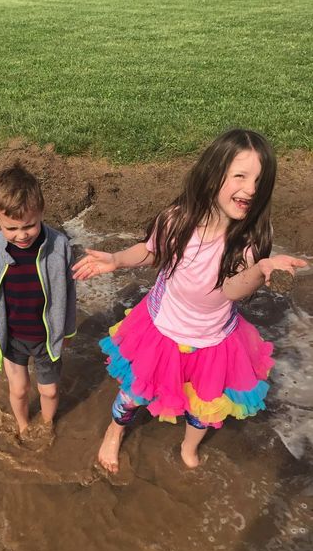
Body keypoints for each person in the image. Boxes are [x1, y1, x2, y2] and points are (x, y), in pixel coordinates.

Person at [73, 129, 307, 473]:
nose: (251, 189)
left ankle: (188, 447)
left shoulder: (249, 240)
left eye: (260, 180)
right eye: (240, 176)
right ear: (213, 176)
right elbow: (152, 252)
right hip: (161, 330)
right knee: (134, 393)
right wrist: (117, 260)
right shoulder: (178, 219)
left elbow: (230, 290)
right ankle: (114, 430)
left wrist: (262, 269)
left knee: (205, 407)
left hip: (214, 341)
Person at [0, 164, 76, 435]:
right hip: (12, 336)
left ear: (41, 211)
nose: (22, 235)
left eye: (30, 225)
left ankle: (46, 425)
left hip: (46, 336)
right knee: (18, 390)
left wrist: (68, 330)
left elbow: (69, 292)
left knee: (50, 389)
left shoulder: (60, 246)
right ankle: (22, 426)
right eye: (12, 228)